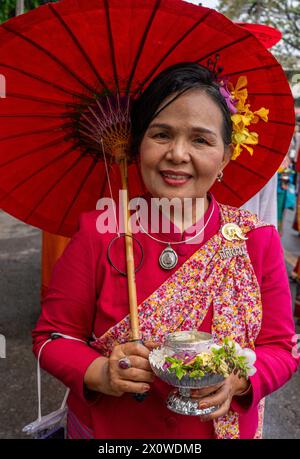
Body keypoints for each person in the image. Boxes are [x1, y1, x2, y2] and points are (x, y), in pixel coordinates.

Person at [32, 63, 299, 440]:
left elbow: (281, 348)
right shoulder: (100, 231)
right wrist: (100, 373)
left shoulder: (256, 240)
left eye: (201, 140)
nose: (177, 154)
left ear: (224, 157)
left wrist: (240, 382)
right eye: (161, 134)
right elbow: (52, 336)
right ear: (138, 145)